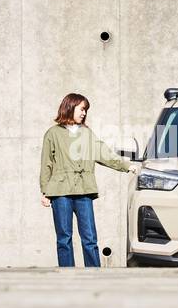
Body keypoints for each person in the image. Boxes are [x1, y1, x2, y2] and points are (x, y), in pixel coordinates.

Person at [40, 93, 132, 267]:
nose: (84, 113)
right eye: (82, 109)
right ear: (70, 107)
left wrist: (127, 166)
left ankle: (94, 274)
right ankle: (67, 276)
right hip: (60, 192)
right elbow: (47, 164)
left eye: (85, 110)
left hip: (84, 191)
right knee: (64, 238)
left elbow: (104, 154)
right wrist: (45, 191)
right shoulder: (52, 134)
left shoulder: (87, 133)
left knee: (89, 238)